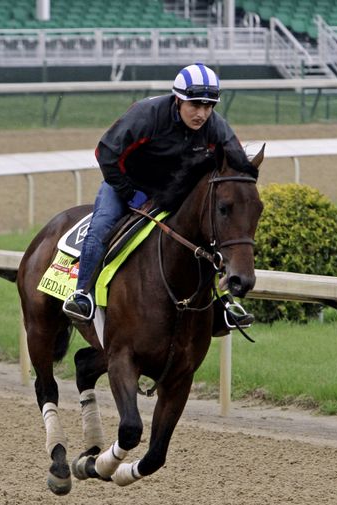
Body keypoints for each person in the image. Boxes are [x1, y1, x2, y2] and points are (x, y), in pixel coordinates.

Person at [62, 62, 257, 332]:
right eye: (195, 105)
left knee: (207, 232)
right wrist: (130, 194)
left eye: (209, 106)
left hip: (174, 190)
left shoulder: (215, 126)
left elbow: (234, 161)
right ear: (178, 99)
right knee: (101, 225)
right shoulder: (147, 115)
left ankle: (222, 301)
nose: (202, 114)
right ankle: (82, 294)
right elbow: (105, 154)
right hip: (126, 184)